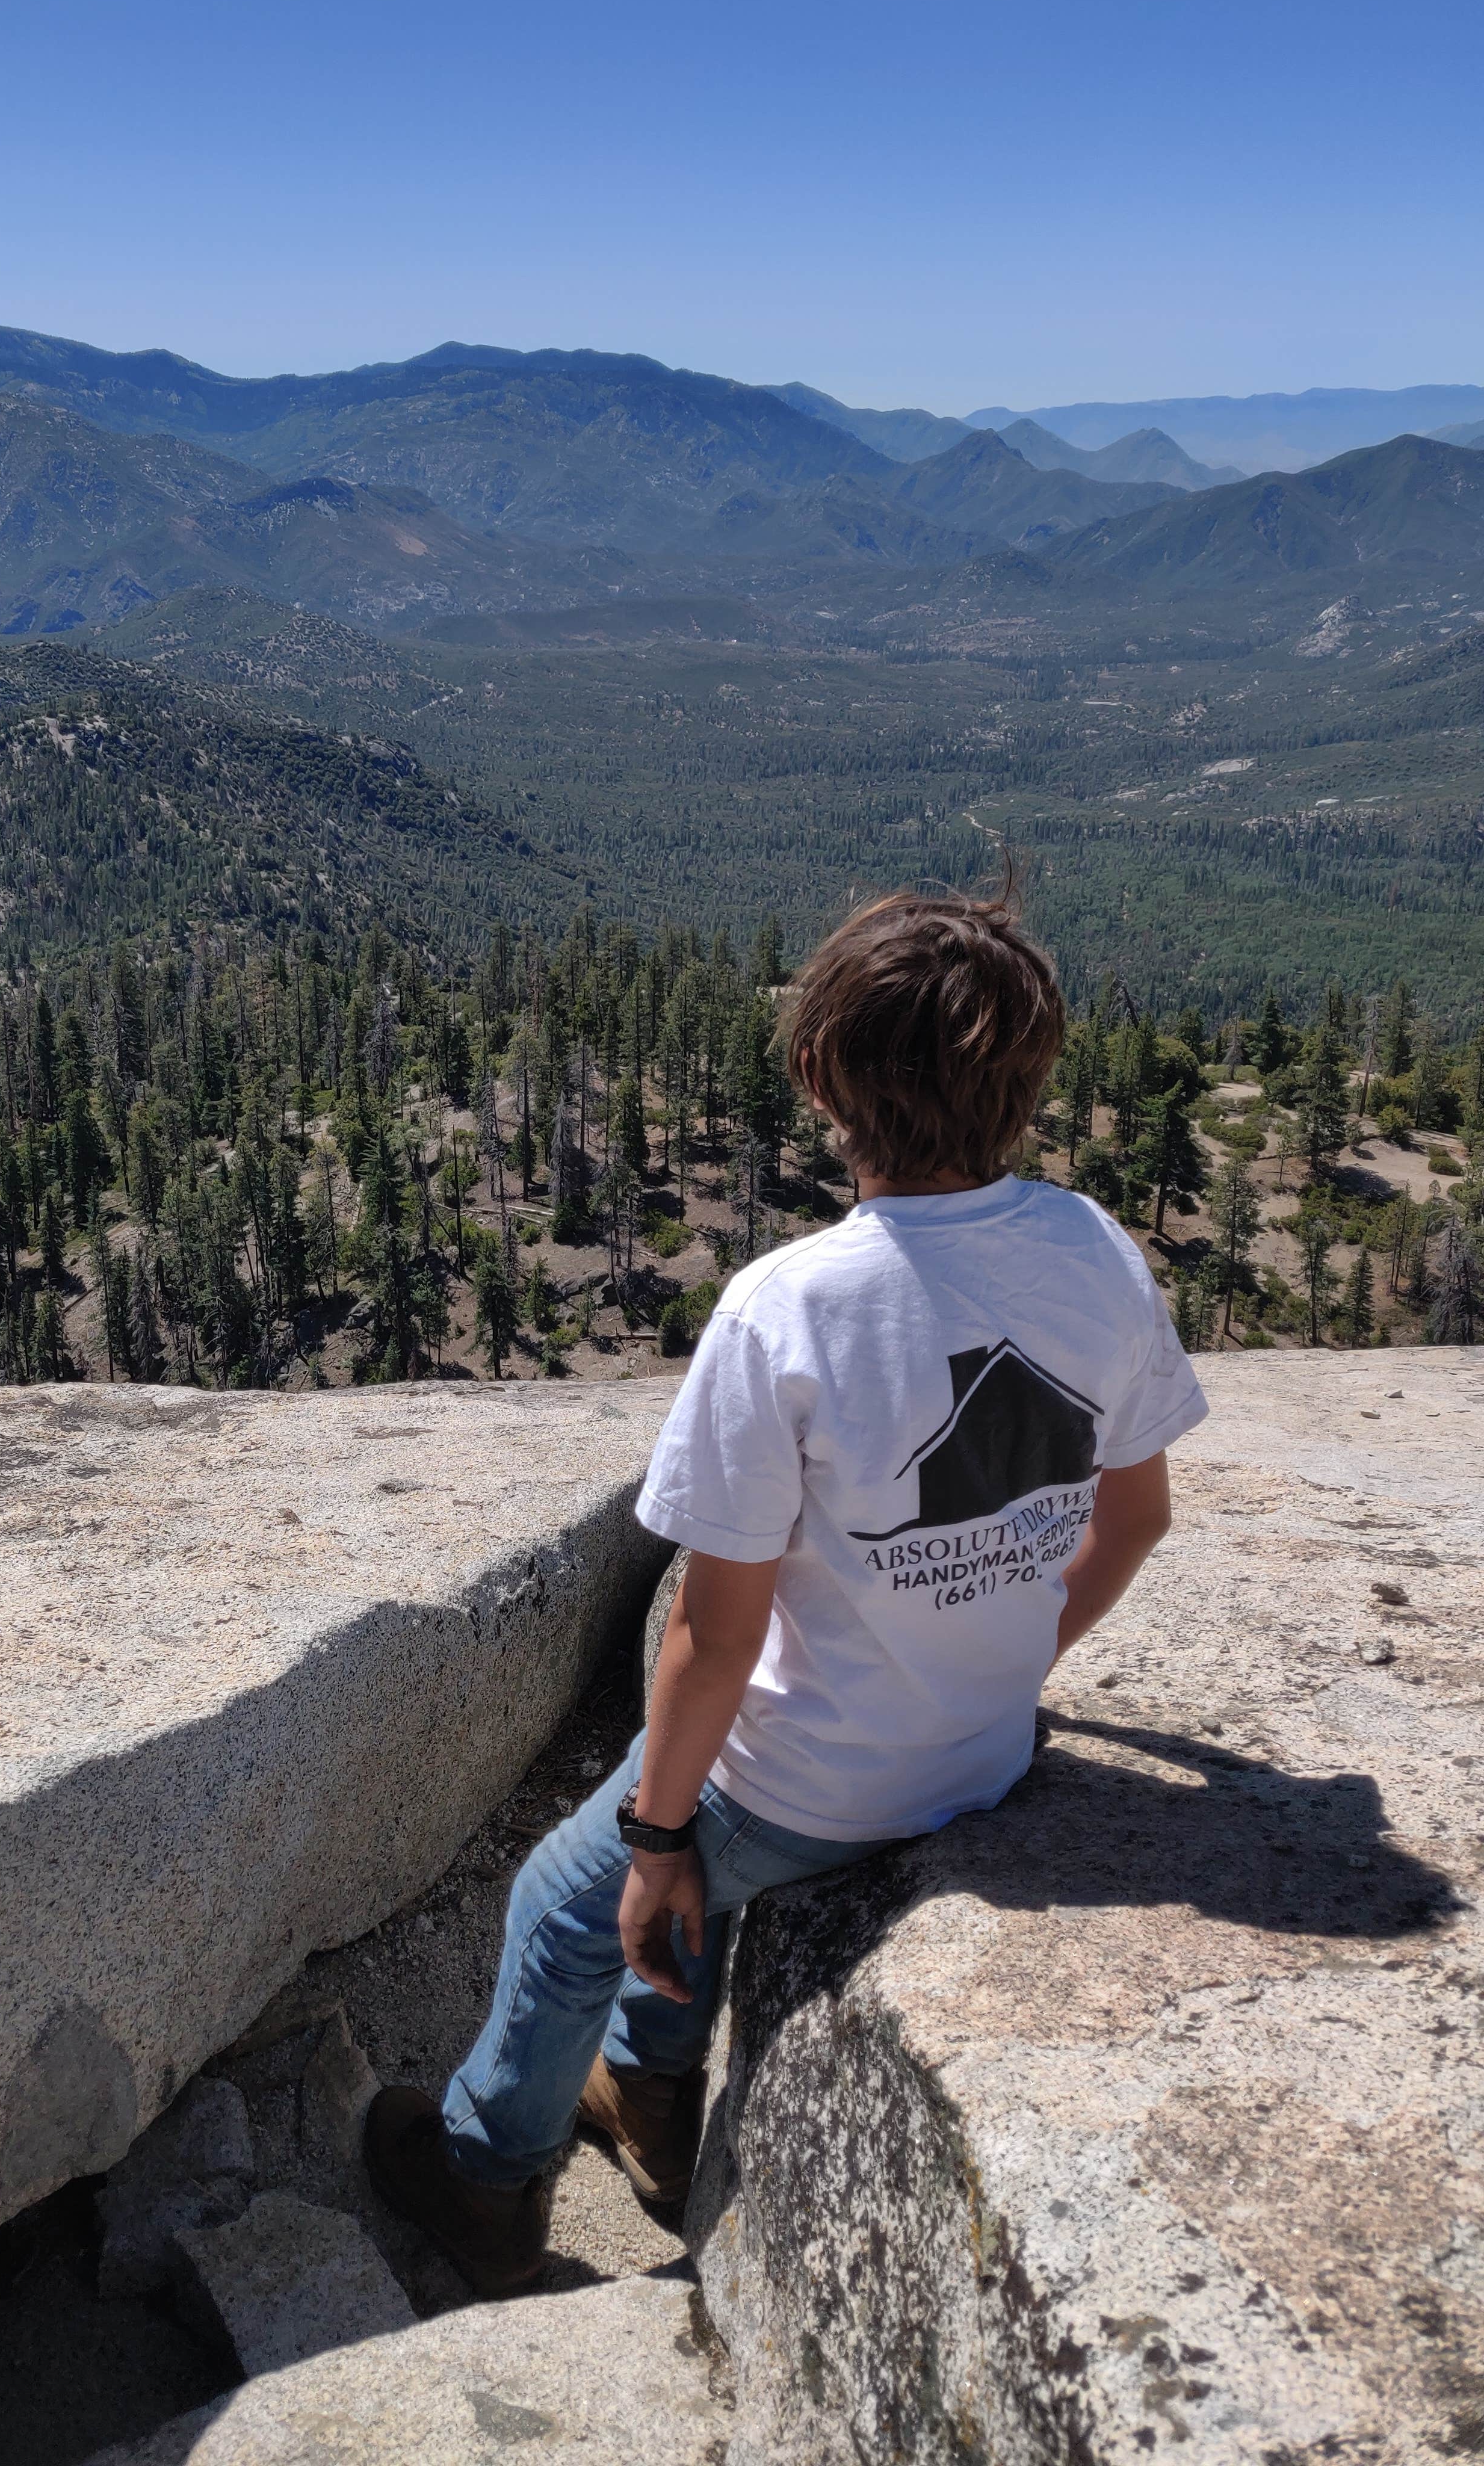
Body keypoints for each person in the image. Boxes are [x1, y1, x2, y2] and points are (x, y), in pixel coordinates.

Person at [366, 887, 1208, 2294]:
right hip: (984, 1751)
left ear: (820, 1077)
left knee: (567, 1903)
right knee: (681, 1833)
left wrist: (656, 1838)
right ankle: (648, 2097)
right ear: (1031, 1078)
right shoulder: (1095, 1253)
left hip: (811, 1787)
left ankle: (481, 2176)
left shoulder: (792, 1308)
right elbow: (1139, 1518)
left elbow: (715, 1634)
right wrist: (1003, 1661)